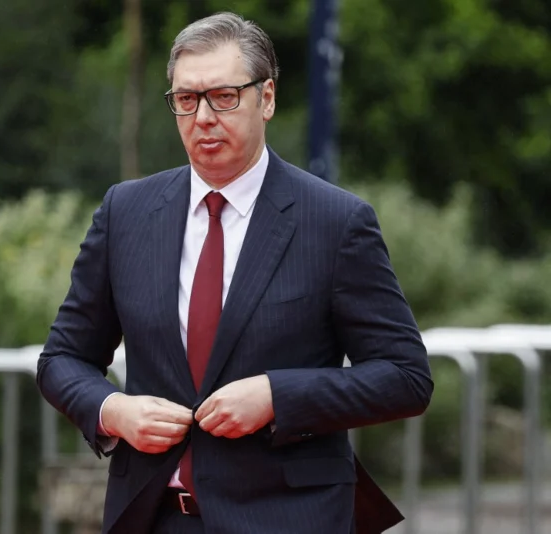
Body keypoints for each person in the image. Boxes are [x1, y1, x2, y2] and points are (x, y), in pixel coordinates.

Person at [37, 11, 433, 534]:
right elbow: (63, 358)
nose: (203, 117)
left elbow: (405, 378)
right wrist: (113, 410)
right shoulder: (125, 212)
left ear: (266, 99)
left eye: (224, 97)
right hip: (154, 516)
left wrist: (276, 396)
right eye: (186, 99)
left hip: (287, 519)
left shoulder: (335, 222)